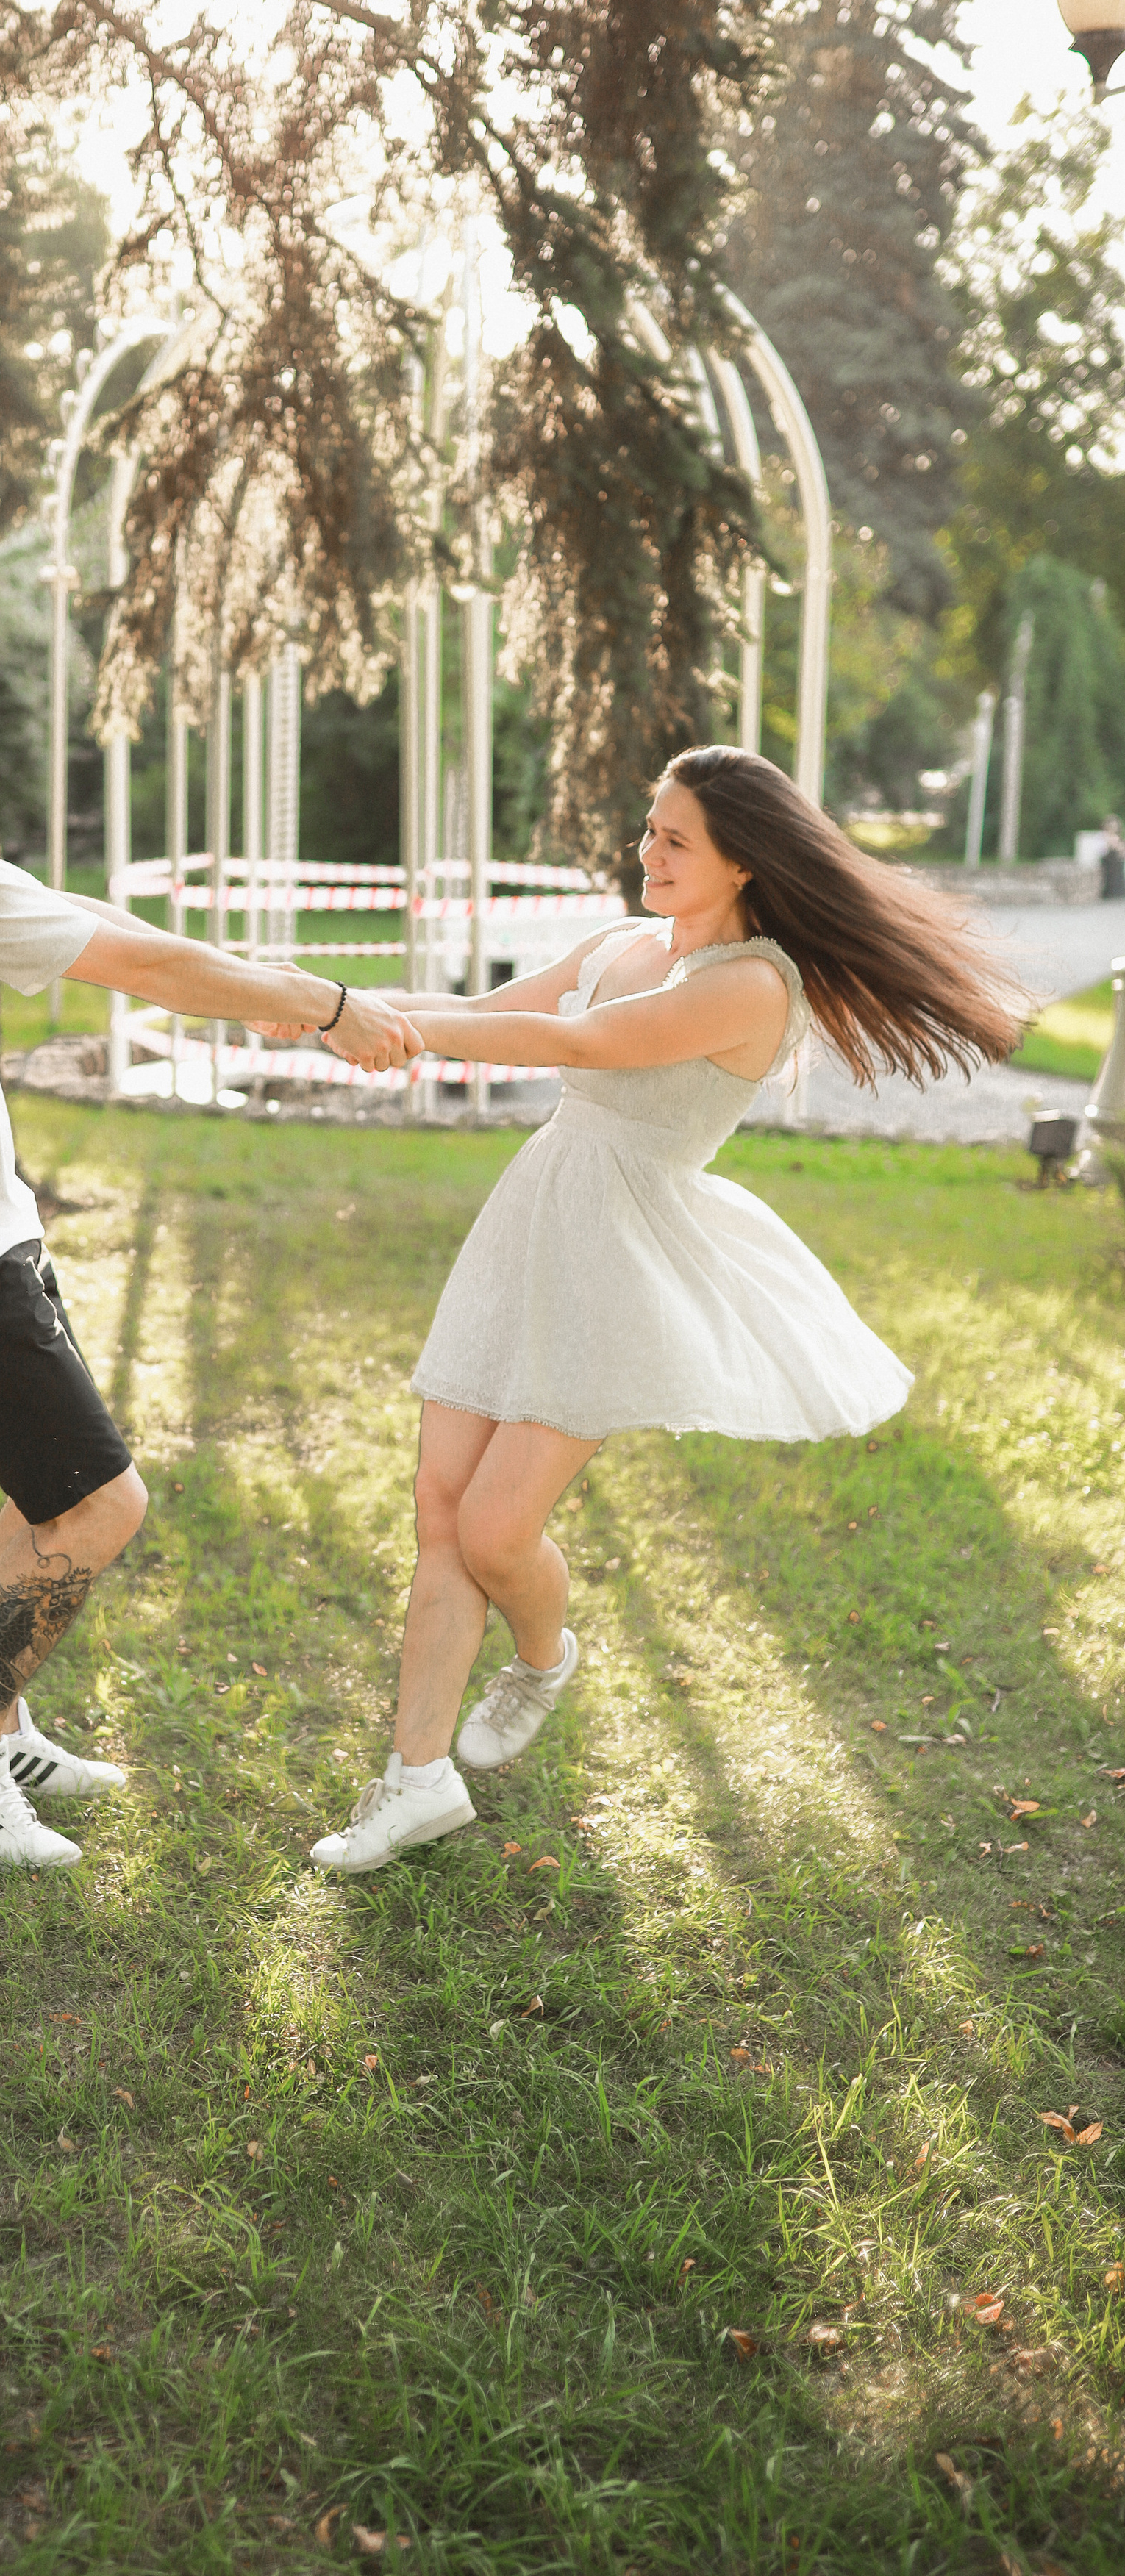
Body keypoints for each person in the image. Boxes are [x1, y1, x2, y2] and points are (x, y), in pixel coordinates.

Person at [0, 561, 421, 1871]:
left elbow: (82, 921)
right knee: (100, 1507)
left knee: (48, 1488)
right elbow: (135, 963)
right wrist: (322, 1002)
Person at [289, 744, 1029, 1875]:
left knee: (495, 1530)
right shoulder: (619, 943)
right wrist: (328, 1011)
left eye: (677, 839)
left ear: (744, 862)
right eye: (649, 829)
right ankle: (416, 1781)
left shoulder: (753, 983)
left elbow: (576, 1043)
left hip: (621, 1254)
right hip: (532, 1216)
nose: (649, 852)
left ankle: (543, 1659)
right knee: (442, 1509)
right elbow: (488, 1009)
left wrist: (378, 1021)